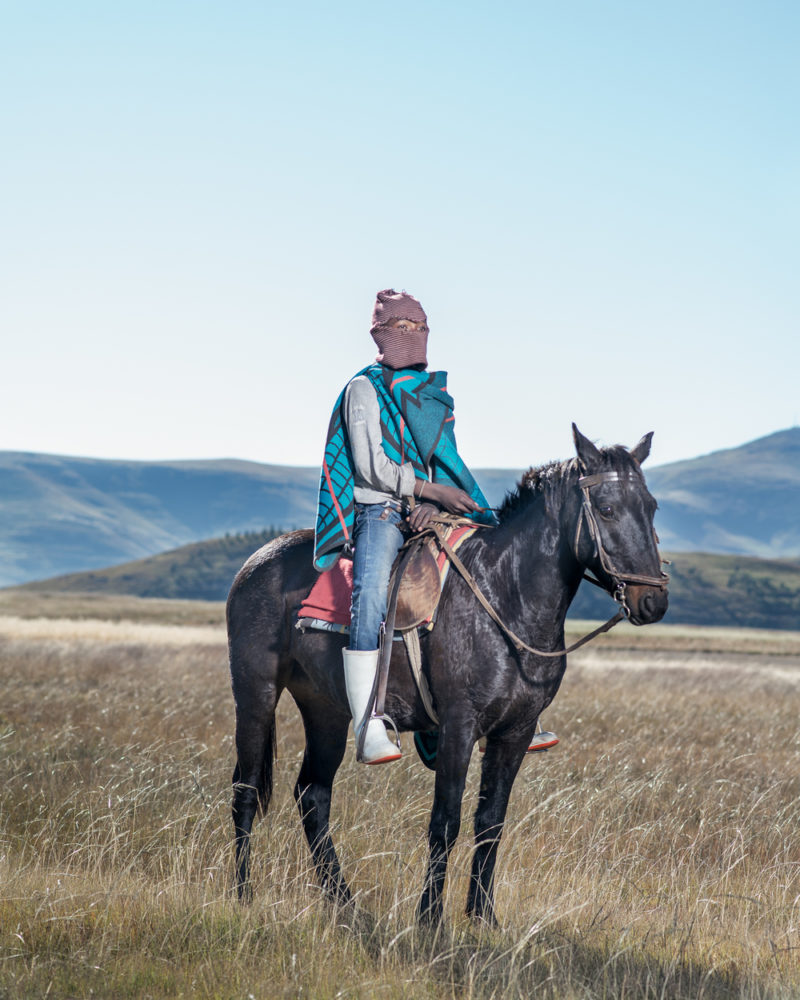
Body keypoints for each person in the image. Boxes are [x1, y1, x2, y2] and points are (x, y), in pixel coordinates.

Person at [314, 289, 557, 763]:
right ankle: (369, 723)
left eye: (420, 327)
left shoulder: (430, 395)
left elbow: (441, 465)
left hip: (428, 508)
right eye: (401, 327)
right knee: (370, 593)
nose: (413, 335)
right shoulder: (362, 389)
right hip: (379, 509)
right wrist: (427, 492)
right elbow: (371, 468)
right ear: (380, 332)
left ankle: (510, 708)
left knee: (492, 579)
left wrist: (435, 501)